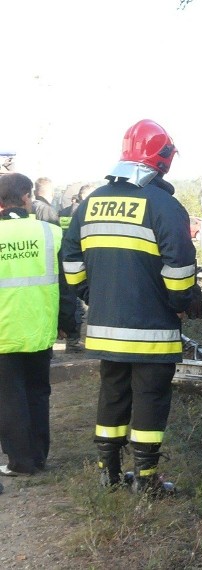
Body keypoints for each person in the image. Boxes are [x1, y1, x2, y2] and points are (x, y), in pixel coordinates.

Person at [62, 119, 202, 494]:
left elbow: (71, 263)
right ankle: (146, 480)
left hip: (107, 328)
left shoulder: (91, 203)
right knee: (150, 398)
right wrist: (182, 303)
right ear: (164, 160)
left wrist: (96, 299)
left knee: (112, 395)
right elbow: (179, 270)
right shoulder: (164, 205)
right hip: (152, 330)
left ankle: (107, 474)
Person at [0, 173, 66, 477]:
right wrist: (69, 324)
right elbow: (67, 284)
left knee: (9, 397)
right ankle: (39, 456)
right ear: (27, 196)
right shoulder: (51, 233)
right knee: (38, 393)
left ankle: (21, 462)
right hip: (40, 329)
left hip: (3, 332)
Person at [57, 184, 97, 352]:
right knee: (77, 305)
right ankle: (73, 340)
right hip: (80, 263)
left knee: (72, 301)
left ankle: (72, 338)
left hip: (66, 260)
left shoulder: (63, 212)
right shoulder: (85, 213)